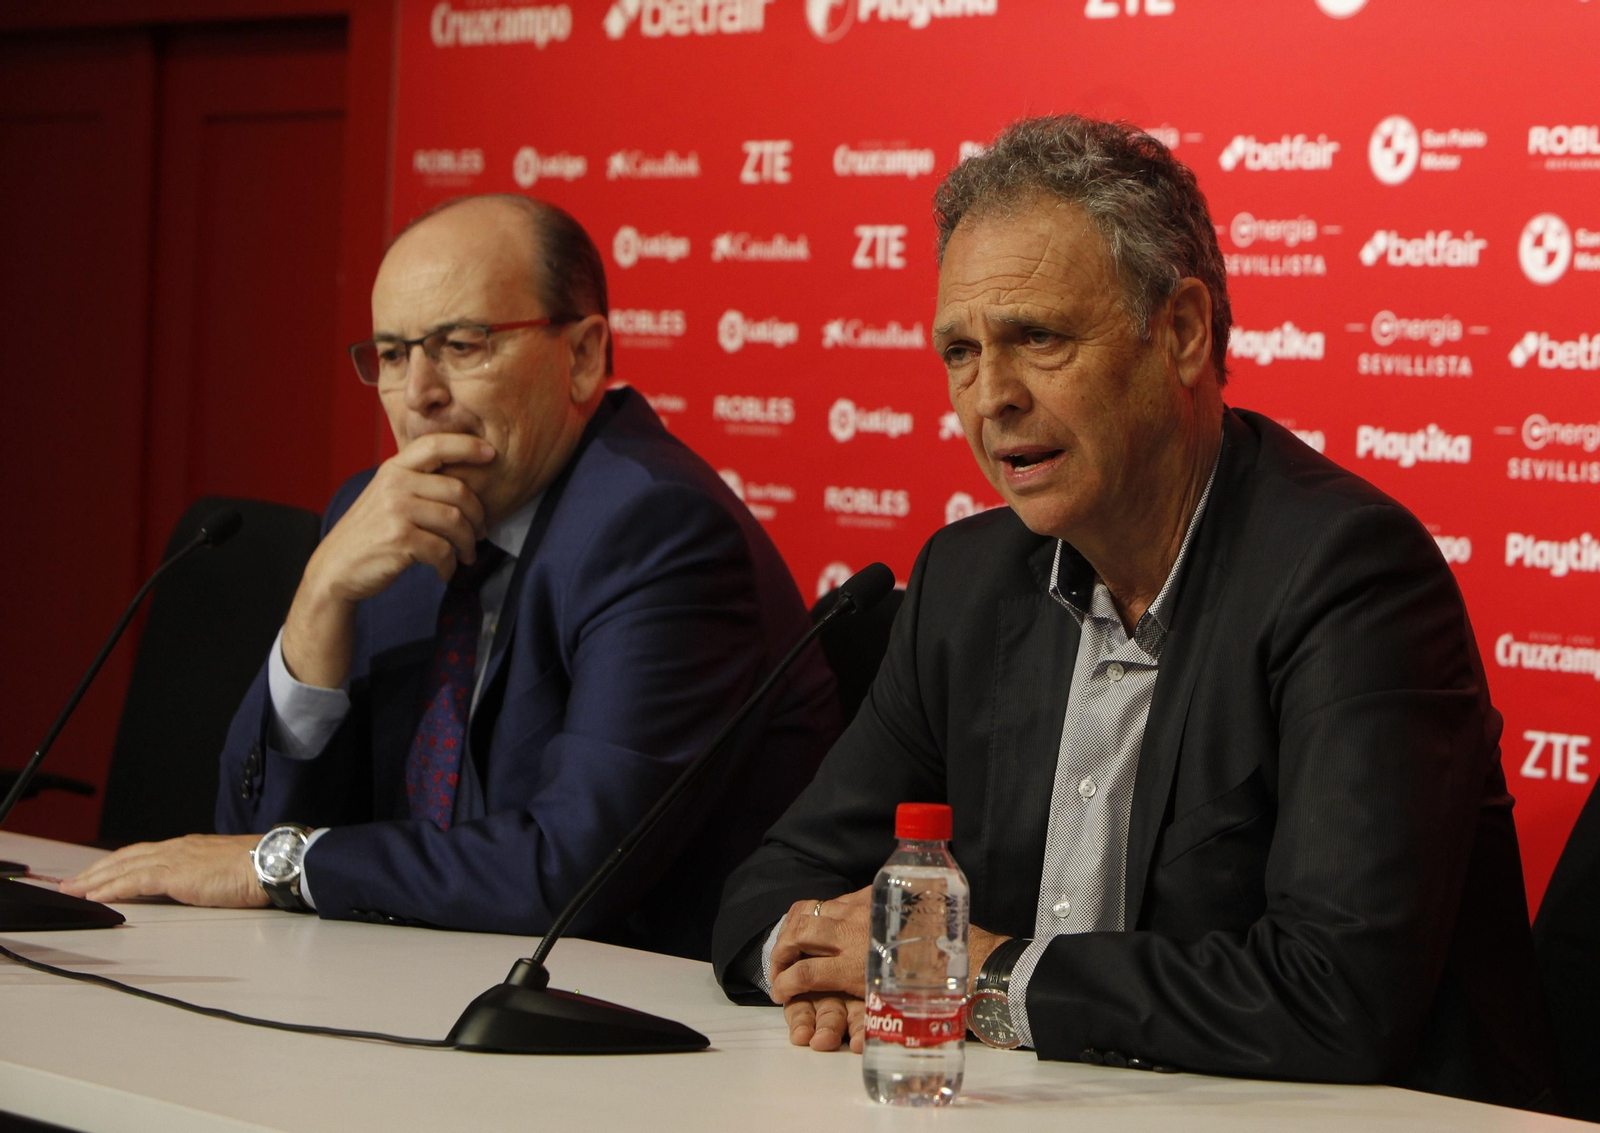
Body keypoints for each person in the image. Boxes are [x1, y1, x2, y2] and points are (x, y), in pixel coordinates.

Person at [711, 115, 1556, 1108]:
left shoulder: (1348, 576)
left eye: (1038, 337)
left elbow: (1337, 992)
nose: (991, 396)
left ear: (1183, 333)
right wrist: (823, 965)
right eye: (960, 351)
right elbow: (772, 887)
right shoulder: (964, 583)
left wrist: (979, 976)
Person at [65, 194, 840, 961]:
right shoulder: (383, 520)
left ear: (582, 356)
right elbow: (245, 840)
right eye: (392, 355)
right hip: (409, 976)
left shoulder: (657, 528)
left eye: (462, 345)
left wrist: (290, 864)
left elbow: (567, 870)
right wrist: (317, 601)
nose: (418, 394)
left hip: (621, 1004)